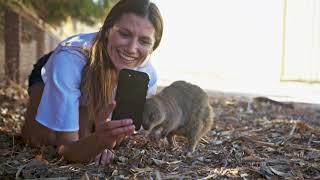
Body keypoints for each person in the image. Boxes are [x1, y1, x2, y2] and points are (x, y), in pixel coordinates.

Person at [21, 0, 163, 165]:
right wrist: (95, 142)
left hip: (100, 79)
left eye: (144, 41)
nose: (132, 48)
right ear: (107, 30)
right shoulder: (69, 60)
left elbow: (117, 133)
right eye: (124, 34)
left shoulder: (146, 75)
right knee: (38, 140)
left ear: (154, 46)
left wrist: (99, 139)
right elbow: (66, 149)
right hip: (56, 68)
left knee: (91, 132)